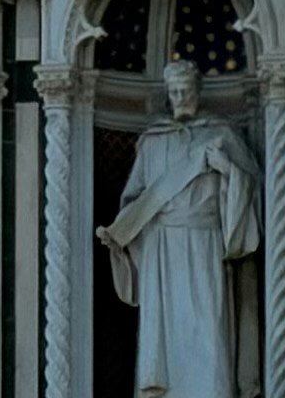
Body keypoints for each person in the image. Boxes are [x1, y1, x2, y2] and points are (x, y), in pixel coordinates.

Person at [102, 62, 259, 398]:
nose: (180, 97)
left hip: (204, 242)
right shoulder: (151, 143)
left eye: (185, 90)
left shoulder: (221, 136)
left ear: (197, 91)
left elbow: (252, 194)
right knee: (165, 344)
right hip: (161, 251)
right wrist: (121, 235)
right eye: (174, 92)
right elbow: (135, 198)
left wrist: (227, 169)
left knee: (209, 332)